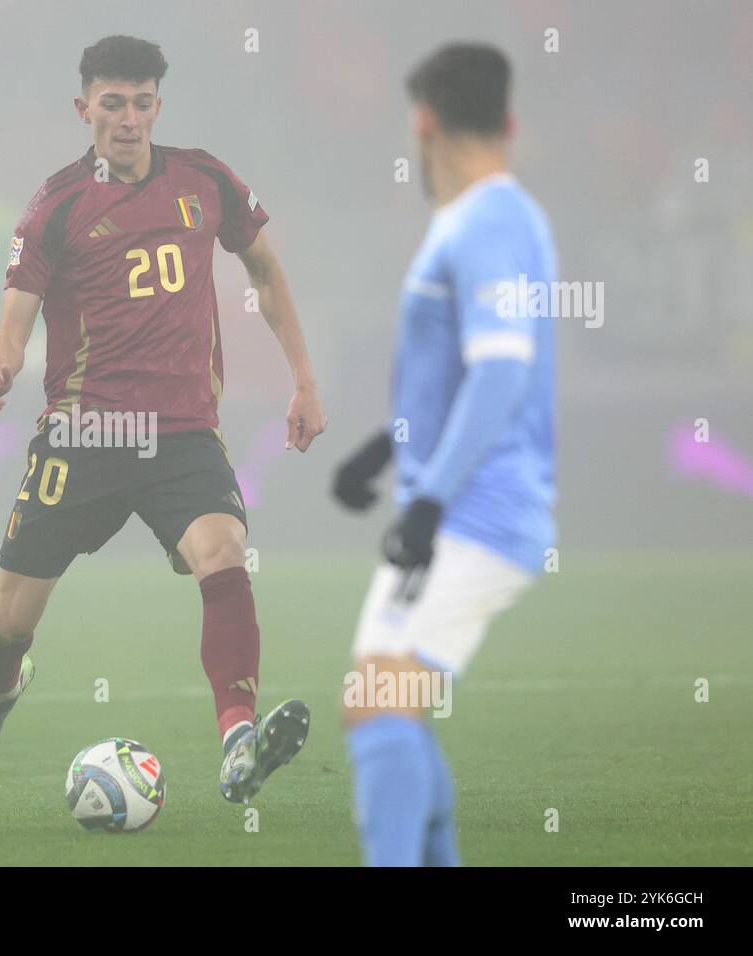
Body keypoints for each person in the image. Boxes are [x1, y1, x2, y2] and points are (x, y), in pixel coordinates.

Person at [0, 35, 327, 804]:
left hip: (182, 430)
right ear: (83, 108)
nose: (127, 119)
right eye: (112, 103)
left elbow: (263, 270)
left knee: (223, 555)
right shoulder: (55, 205)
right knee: (9, 626)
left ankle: (238, 741)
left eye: (142, 102)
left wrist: (303, 379)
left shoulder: (205, 180)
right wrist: (1, 368)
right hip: (84, 436)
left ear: (159, 104)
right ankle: (0, 691)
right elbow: (14, 314)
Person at [333, 43, 558, 864]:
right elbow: (455, 379)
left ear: (423, 122)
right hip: (461, 501)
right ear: (508, 120)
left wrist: (428, 502)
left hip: (477, 509)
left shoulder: (488, 219)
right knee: (383, 704)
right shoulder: (500, 218)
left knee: (381, 700)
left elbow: (501, 372)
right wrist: (382, 451)